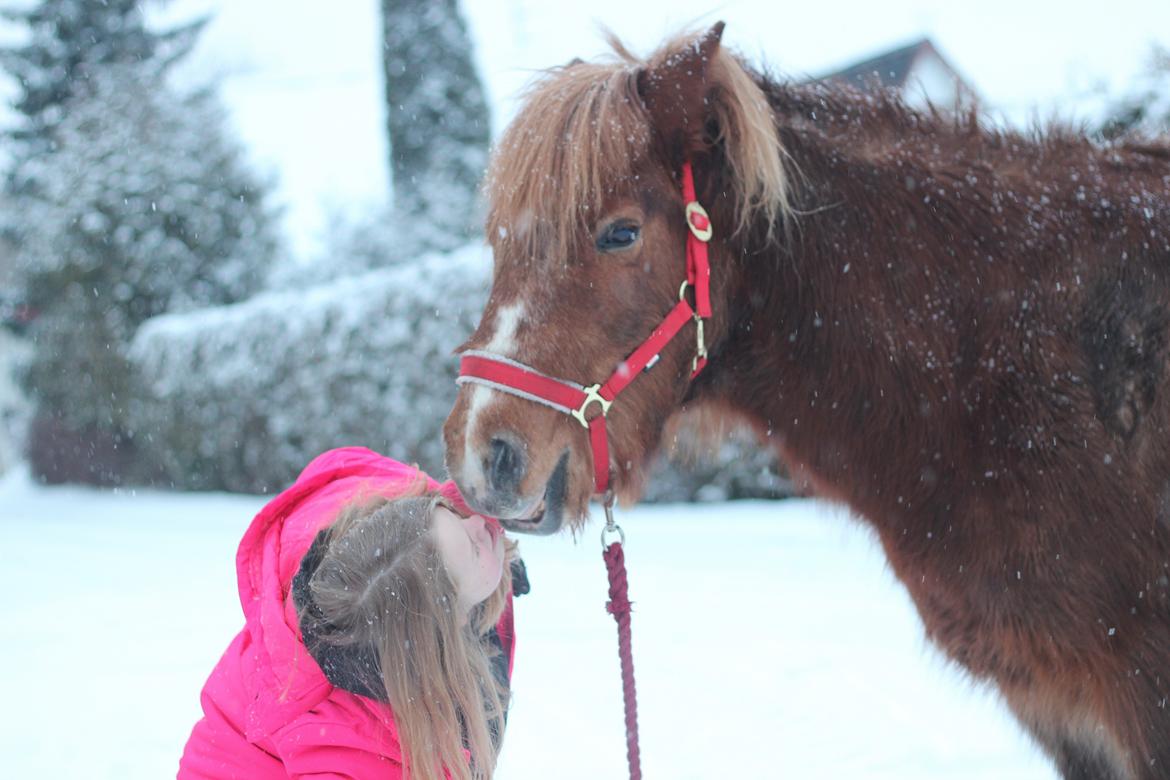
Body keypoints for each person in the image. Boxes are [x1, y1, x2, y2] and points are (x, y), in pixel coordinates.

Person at [178, 447, 528, 780]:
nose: (480, 523)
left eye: (450, 512)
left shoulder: (380, 563)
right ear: (446, 627)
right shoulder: (365, 752)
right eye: (473, 549)